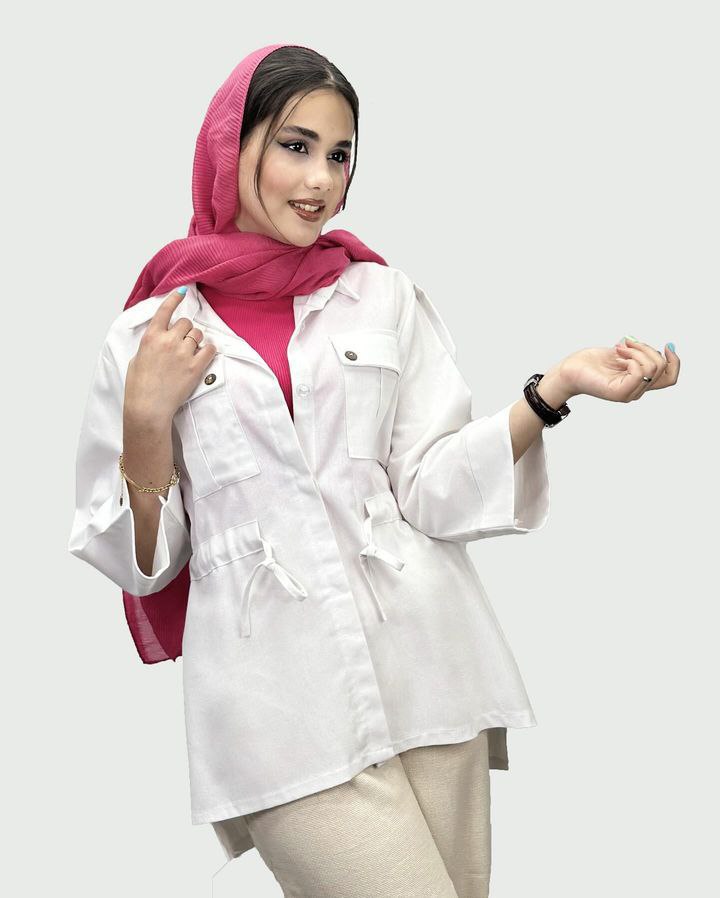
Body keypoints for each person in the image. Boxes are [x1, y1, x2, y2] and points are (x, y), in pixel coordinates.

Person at [67, 43, 680, 898]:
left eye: (339, 154)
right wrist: (144, 421)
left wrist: (555, 390)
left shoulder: (379, 295)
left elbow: (429, 488)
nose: (320, 179)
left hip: (428, 666)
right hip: (275, 705)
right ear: (229, 147)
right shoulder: (148, 337)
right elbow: (146, 562)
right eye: (295, 146)